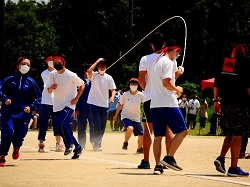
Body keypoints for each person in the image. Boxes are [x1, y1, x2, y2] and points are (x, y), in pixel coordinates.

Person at [137, 34, 184, 170]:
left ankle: (149, 161)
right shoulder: (168, 61)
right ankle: (169, 158)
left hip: (151, 100)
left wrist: (147, 89)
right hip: (165, 99)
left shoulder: (148, 59)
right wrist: (178, 88)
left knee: (152, 131)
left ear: (152, 45)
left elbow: (141, 79)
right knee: (173, 130)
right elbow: (168, 81)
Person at [213, 44, 249, 176]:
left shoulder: (224, 60)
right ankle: (233, 167)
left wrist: (216, 101)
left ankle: (221, 158)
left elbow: (217, 82)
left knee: (230, 132)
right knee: (238, 134)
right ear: (243, 48)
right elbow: (248, 86)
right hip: (240, 102)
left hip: (225, 102)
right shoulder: (245, 62)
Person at [0, 56, 42, 167]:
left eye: (28, 65)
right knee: (8, 132)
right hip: (8, 112)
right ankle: (2, 156)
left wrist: (31, 107)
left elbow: (38, 97)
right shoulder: (9, 79)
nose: (26, 66)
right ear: (18, 65)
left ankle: (16, 147)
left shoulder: (31, 82)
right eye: (23, 64)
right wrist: (4, 99)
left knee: (20, 134)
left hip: (24, 113)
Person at [46, 54, 85, 159]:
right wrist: (51, 88)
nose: (57, 64)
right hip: (57, 104)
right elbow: (48, 90)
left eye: (59, 62)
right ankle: (78, 147)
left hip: (69, 104)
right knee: (61, 127)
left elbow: (82, 85)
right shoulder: (52, 74)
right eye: (55, 63)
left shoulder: (70, 74)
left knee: (61, 123)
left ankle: (69, 145)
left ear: (64, 63)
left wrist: (76, 99)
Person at [87, 58, 116, 151]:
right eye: (100, 66)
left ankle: (97, 141)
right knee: (96, 123)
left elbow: (113, 90)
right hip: (93, 103)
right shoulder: (94, 75)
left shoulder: (109, 77)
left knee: (102, 124)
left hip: (104, 104)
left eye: (103, 66)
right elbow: (89, 71)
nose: (102, 68)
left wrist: (112, 97)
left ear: (106, 67)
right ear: (97, 67)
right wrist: (96, 61)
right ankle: (97, 143)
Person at [37, 55, 64, 153]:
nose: (52, 62)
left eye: (53, 60)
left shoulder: (60, 72)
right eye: (50, 60)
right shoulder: (44, 73)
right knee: (43, 123)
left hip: (57, 101)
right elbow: (51, 85)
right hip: (46, 101)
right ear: (46, 61)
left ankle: (58, 143)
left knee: (57, 123)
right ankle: (41, 144)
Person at [113, 78, 144, 154]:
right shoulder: (125, 95)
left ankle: (139, 149)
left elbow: (145, 104)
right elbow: (120, 105)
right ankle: (126, 142)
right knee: (130, 128)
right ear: (129, 85)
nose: (133, 85)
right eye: (132, 84)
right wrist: (116, 115)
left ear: (137, 86)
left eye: (135, 84)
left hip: (136, 118)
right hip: (126, 116)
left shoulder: (141, 95)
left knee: (141, 135)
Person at [75, 63, 92, 149]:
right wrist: (76, 108)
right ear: (85, 70)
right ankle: (82, 143)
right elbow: (75, 94)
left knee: (93, 126)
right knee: (81, 126)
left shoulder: (94, 80)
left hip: (92, 107)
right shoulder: (79, 80)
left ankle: (95, 143)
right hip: (81, 107)